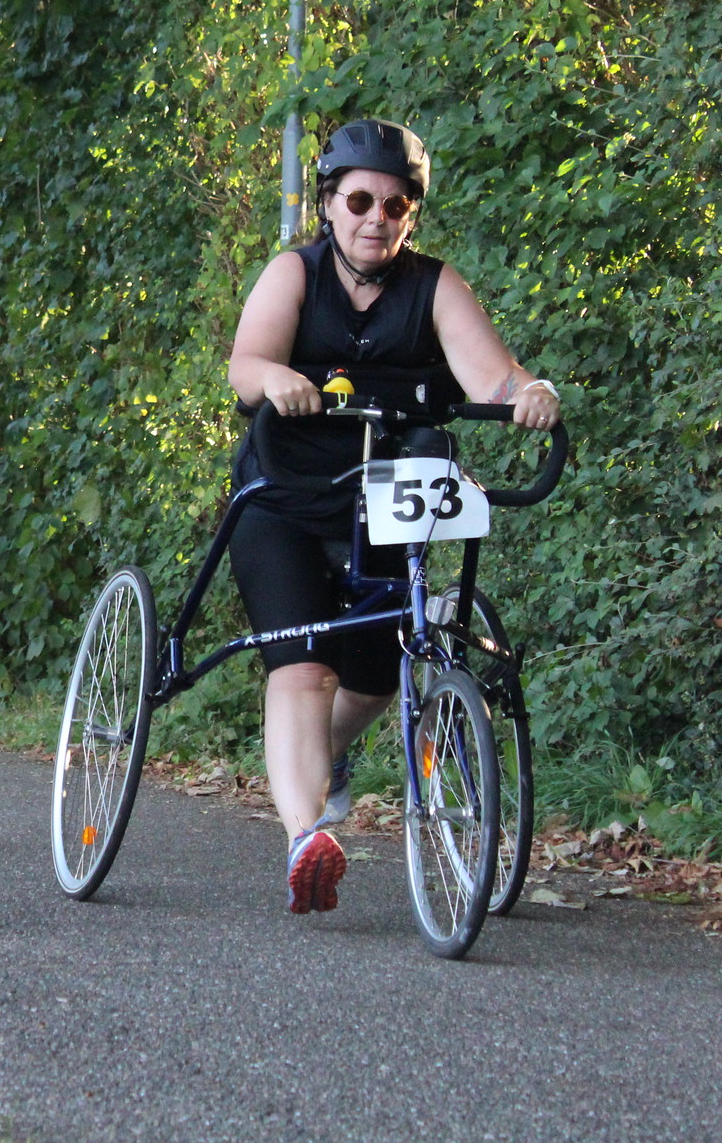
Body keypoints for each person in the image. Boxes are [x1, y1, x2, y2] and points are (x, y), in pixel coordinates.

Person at [227, 118, 561, 915]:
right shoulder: (294, 273)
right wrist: (278, 378)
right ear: (330, 205)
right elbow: (245, 366)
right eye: (361, 200)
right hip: (282, 492)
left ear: (412, 213)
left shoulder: (436, 286)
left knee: (379, 672)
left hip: (381, 500)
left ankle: (318, 762)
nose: (378, 216)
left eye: (397, 204)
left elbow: (493, 374)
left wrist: (530, 393)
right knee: (303, 664)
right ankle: (307, 837)